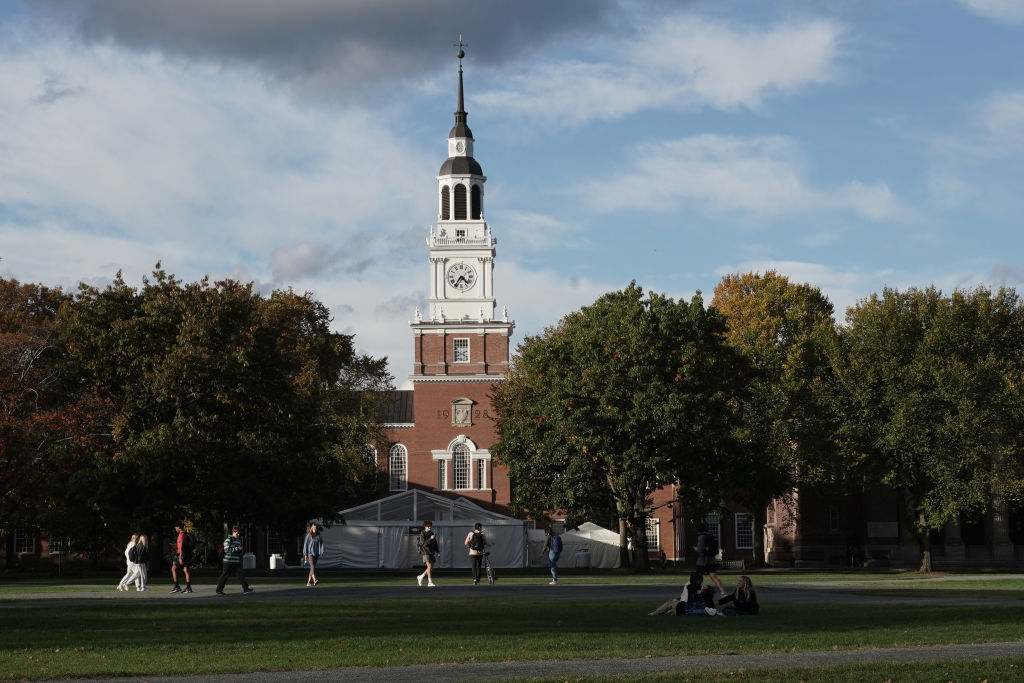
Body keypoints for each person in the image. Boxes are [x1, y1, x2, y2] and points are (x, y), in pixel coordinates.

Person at [649, 571, 714, 616]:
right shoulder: (698, 590)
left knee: (671, 602)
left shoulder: (691, 587)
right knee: (673, 602)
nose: (701, 583)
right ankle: (661, 612)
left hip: (685, 608)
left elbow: (686, 600)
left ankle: (656, 613)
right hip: (685, 605)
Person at [216, 526, 254, 595]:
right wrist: (237, 549)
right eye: (237, 533)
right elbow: (227, 550)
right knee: (224, 576)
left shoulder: (238, 541)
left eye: (239, 533)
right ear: (234, 532)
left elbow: (238, 551)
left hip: (236, 562)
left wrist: (240, 551)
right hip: (228, 562)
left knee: (241, 575)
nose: (238, 535)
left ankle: (246, 589)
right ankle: (219, 590)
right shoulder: (228, 540)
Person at [694, 521, 726, 597]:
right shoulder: (711, 536)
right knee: (714, 576)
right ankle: (723, 592)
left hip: (702, 561)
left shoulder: (701, 537)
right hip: (712, 560)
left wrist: (696, 549)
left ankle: (697, 591)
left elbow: (700, 549)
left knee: (698, 576)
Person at [169, 523, 193, 594]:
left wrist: (180, 557)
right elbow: (181, 545)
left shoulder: (181, 535)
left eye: (175, 527)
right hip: (187, 554)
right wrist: (176, 545)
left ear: (178, 527)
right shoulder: (185, 534)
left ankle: (177, 587)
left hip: (181, 554)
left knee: (173, 569)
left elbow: (181, 546)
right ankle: (188, 588)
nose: (175, 529)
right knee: (186, 570)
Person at [415, 520, 439, 587]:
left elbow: (435, 543)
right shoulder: (422, 533)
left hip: (431, 552)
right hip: (425, 552)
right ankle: (430, 582)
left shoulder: (431, 533)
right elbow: (423, 544)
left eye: (430, 526)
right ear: (425, 526)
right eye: (428, 526)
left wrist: (438, 551)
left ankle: (421, 576)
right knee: (429, 566)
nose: (430, 527)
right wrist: (430, 539)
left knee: (431, 568)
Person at [303, 523, 325, 587]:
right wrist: (305, 554)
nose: (315, 529)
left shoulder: (318, 536)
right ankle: (315, 580)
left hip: (316, 554)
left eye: (316, 528)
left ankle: (308, 583)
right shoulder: (309, 536)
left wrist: (322, 552)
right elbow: (305, 545)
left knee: (312, 568)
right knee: (312, 566)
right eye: (313, 528)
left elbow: (321, 545)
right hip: (310, 554)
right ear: (312, 528)